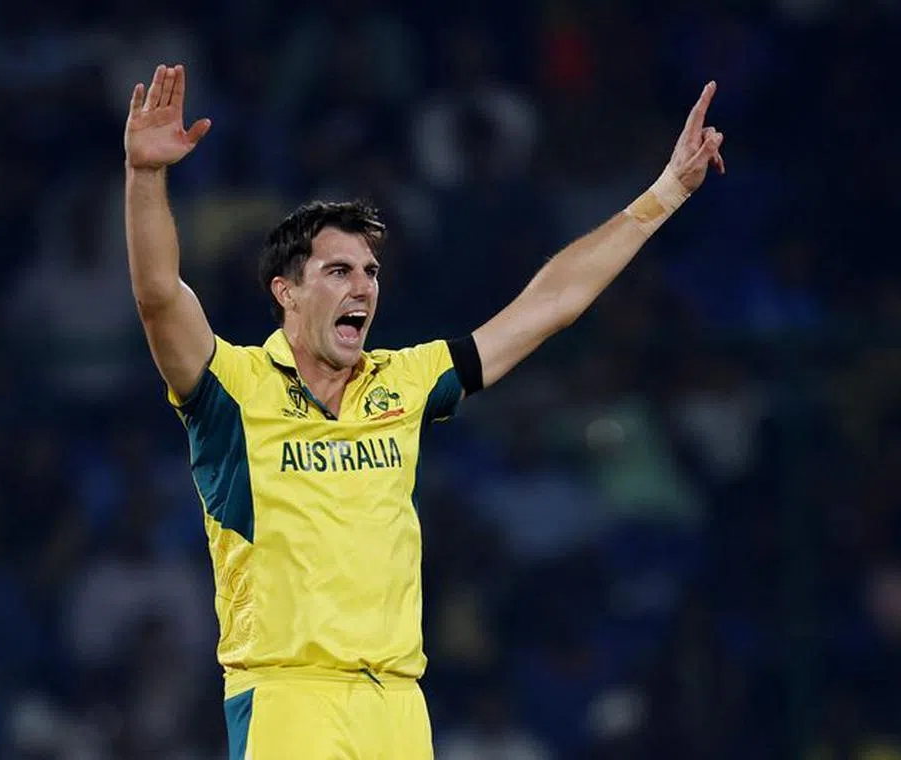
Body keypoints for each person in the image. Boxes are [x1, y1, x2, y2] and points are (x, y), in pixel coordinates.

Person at [123, 63, 725, 760]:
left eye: (372, 272)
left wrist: (666, 192)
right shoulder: (233, 387)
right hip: (288, 696)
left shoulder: (404, 381)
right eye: (340, 271)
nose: (364, 287)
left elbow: (549, 305)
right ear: (285, 291)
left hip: (398, 703)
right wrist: (145, 178)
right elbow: (160, 296)